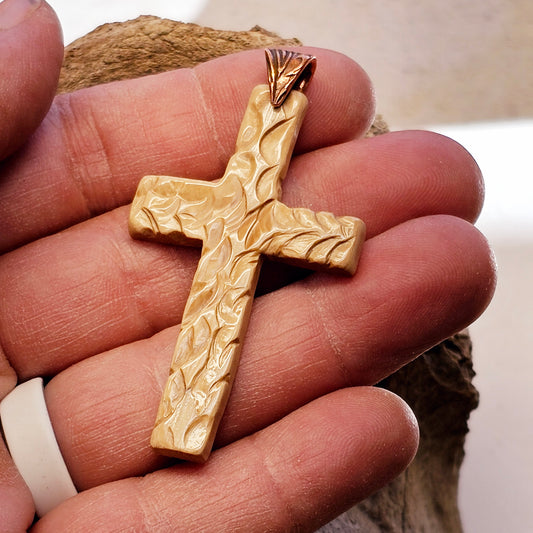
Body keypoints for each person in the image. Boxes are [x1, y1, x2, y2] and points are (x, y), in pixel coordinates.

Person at [0, 1, 496, 531]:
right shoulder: (188, 201)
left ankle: (188, 425)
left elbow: (342, 238)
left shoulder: (268, 211)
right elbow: (151, 201)